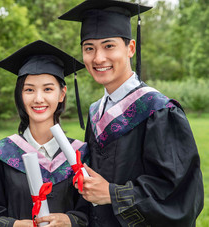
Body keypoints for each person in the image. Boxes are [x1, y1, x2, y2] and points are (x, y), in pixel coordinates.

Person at [59, 1, 204, 226]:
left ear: (131, 48)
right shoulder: (96, 112)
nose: (98, 58)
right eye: (89, 48)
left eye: (109, 46)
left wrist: (112, 194)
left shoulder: (159, 111)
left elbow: (182, 196)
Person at [0, 40, 89, 227]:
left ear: (62, 94)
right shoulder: (1, 155)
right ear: (20, 95)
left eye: (48, 89)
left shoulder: (82, 156)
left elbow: (98, 214)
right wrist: (14, 225)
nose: (38, 99)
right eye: (29, 89)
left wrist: (71, 221)